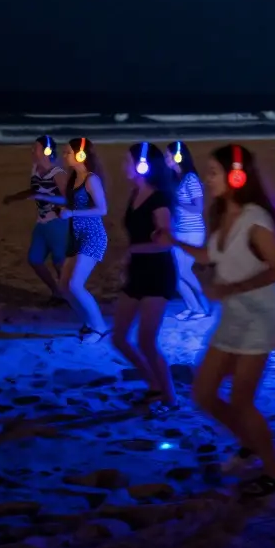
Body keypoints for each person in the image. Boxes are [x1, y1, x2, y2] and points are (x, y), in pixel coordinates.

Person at [158, 145, 275, 498]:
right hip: (233, 317)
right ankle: (248, 443)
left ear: (235, 176)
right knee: (203, 393)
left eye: (214, 172)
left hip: (260, 320)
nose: (208, 178)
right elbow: (210, 254)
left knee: (242, 401)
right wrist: (173, 241)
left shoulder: (254, 218)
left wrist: (235, 286)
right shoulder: (220, 217)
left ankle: (274, 472)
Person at [113, 143, 179, 415]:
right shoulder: (134, 193)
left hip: (158, 272)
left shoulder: (159, 199)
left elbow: (166, 242)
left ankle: (170, 397)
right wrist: (129, 260)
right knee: (118, 338)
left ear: (142, 165)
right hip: (138, 270)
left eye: (128, 161)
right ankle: (154, 386)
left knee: (146, 340)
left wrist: (131, 250)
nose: (124, 166)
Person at [32, 137, 110, 343]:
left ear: (81, 155)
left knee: (75, 285)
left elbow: (102, 209)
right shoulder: (73, 178)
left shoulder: (91, 179)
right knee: (65, 286)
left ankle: (100, 327)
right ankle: (89, 322)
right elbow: (67, 203)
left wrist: (72, 213)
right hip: (75, 236)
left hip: (92, 236)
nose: (64, 155)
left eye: (68, 152)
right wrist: (47, 199)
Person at [2, 135, 69, 304]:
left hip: (57, 222)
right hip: (42, 222)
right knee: (35, 259)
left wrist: (43, 197)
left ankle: (68, 295)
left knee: (59, 262)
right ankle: (56, 291)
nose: (33, 151)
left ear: (47, 151)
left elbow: (69, 200)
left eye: (36, 148)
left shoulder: (57, 173)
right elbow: (33, 191)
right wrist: (14, 197)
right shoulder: (35, 169)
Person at [166, 140, 211, 321]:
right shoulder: (176, 179)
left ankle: (202, 305)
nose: (165, 159)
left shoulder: (191, 179)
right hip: (179, 230)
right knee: (177, 272)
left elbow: (198, 208)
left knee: (182, 271)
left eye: (168, 155)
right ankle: (194, 307)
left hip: (192, 232)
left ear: (178, 156)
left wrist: (177, 202)